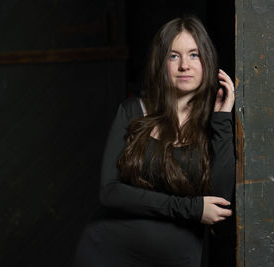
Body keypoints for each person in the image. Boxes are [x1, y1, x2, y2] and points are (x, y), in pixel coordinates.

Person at [74, 15, 235, 267]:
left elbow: (221, 201)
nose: (184, 65)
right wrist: (191, 209)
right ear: (161, 63)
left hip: (177, 259)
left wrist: (222, 119)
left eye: (194, 55)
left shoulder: (215, 124)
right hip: (108, 253)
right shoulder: (132, 111)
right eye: (173, 56)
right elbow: (110, 192)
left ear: (208, 60)